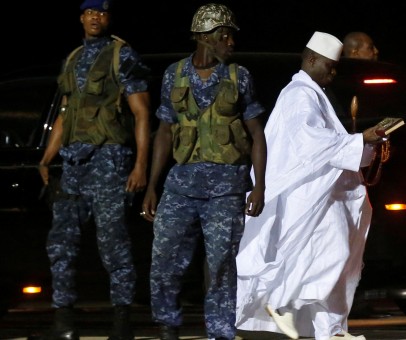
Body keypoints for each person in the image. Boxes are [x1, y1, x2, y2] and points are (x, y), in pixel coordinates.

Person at [234, 31, 385, 340]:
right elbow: (309, 141)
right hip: (309, 195)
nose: (333, 73)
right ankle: (282, 302)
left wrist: (367, 145)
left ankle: (332, 331)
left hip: (326, 195)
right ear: (312, 59)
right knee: (334, 254)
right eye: (329, 66)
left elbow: (334, 144)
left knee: (335, 264)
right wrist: (360, 141)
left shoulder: (313, 93)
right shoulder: (298, 95)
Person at [140, 3, 266, 340]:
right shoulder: (174, 74)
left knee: (221, 266)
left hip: (226, 187)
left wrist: (259, 186)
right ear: (206, 38)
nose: (231, 43)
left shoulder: (240, 77)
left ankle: (220, 333)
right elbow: (164, 131)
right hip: (181, 185)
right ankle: (168, 326)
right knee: (164, 259)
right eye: (225, 36)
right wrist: (152, 185)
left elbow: (256, 134)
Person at [35, 0, 151, 338]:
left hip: (109, 161)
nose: (94, 18)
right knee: (61, 243)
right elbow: (66, 113)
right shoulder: (73, 59)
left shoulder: (121, 56)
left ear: (108, 18)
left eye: (100, 13)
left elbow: (142, 112)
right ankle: (63, 323)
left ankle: (122, 322)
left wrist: (140, 165)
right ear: (81, 18)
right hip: (73, 164)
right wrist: (46, 158)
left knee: (113, 243)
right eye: (89, 13)